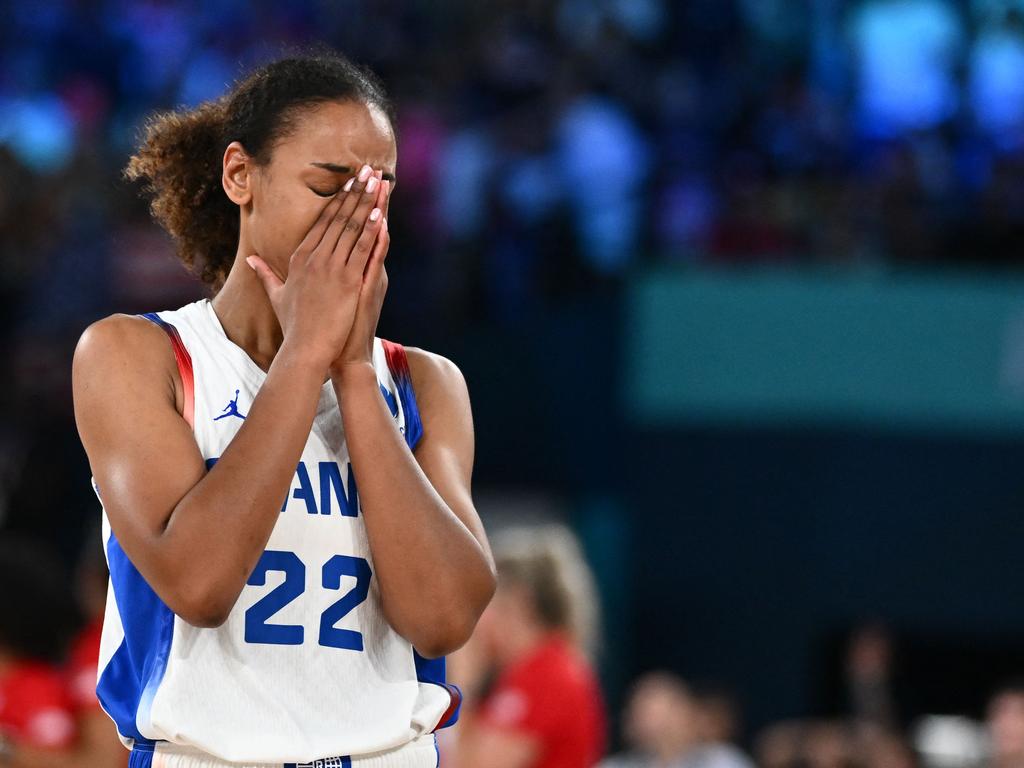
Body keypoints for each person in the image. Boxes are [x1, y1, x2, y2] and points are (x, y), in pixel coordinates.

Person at [71, 49, 497, 768]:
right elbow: (198, 584)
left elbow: (444, 618)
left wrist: (354, 372)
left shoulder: (424, 382)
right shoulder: (135, 356)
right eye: (329, 185)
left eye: (378, 191)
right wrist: (303, 357)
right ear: (241, 175)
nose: (357, 215)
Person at [445, 523, 606, 768]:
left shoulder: (549, 674)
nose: (477, 618)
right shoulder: (529, 672)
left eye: (484, 601)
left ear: (519, 602)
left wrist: (463, 683)